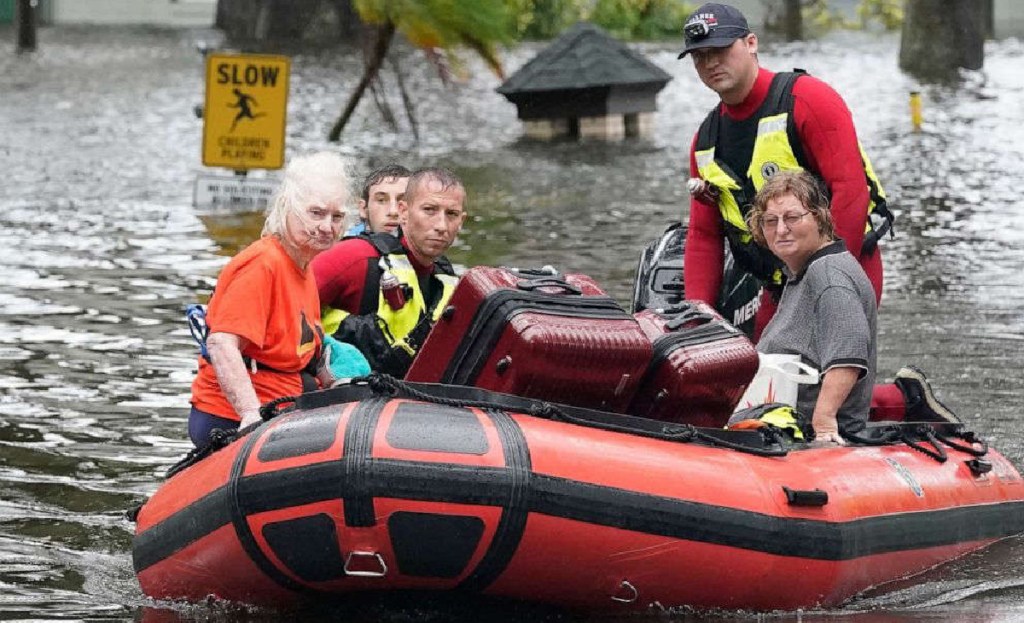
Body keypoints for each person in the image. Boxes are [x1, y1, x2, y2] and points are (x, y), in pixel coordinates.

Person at [678, 2, 892, 339]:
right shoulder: (705, 141)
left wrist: (829, 283)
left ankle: (905, 394)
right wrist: (696, 318)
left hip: (846, 269)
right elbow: (704, 236)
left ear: (751, 43)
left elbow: (851, 192)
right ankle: (908, 393)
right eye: (699, 56)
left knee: (831, 385)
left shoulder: (809, 99)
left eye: (720, 49)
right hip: (777, 286)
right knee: (765, 385)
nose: (710, 62)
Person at [187, 151, 352, 446]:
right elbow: (222, 344)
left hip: (287, 407)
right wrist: (251, 415)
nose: (328, 227)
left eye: (336, 216)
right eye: (316, 213)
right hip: (231, 418)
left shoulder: (303, 264)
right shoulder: (263, 264)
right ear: (287, 207)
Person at [746, 171, 876, 445]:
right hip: (778, 425)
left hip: (806, 435)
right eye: (770, 221)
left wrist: (824, 423)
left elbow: (848, 355)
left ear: (818, 217)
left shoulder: (829, 278)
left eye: (792, 218)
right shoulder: (806, 271)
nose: (781, 229)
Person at [312, 167, 465, 377]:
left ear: (461, 221)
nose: (441, 225)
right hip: (339, 397)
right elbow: (280, 306)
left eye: (452, 214)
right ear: (403, 212)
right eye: (429, 210)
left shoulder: (451, 285)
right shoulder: (356, 257)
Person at [345, 164, 411, 236]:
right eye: (381, 200)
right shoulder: (347, 244)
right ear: (363, 209)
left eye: (404, 200)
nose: (393, 212)